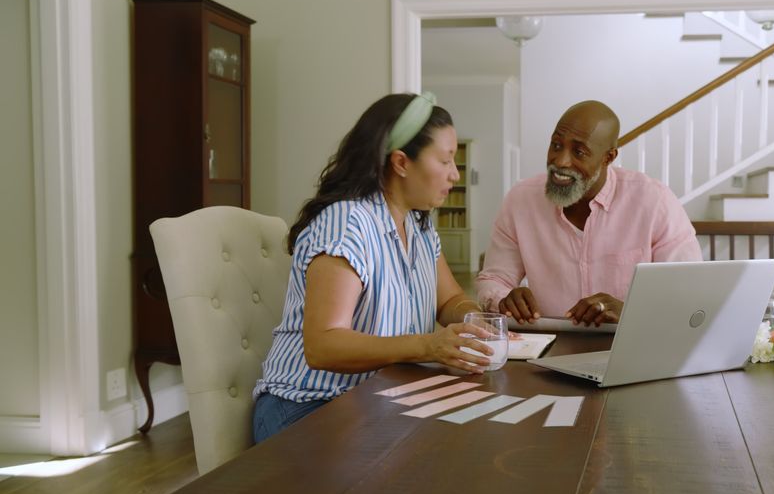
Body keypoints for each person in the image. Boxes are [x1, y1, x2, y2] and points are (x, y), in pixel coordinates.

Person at [252, 92, 493, 443]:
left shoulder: (419, 226)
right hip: (306, 407)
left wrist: (476, 321)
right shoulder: (347, 224)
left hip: (375, 399)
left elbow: (449, 299)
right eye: (444, 161)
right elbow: (324, 346)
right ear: (401, 163)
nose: (455, 175)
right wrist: (428, 346)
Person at [475, 100, 701, 327]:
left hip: (628, 342)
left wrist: (631, 311)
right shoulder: (520, 200)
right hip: (548, 345)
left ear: (608, 158)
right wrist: (503, 299)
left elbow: (687, 290)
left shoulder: (655, 201)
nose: (560, 161)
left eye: (579, 152)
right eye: (556, 145)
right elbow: (494, 279)